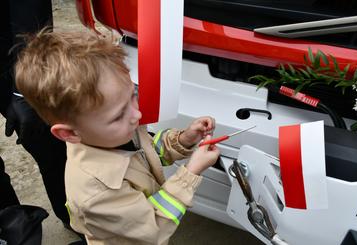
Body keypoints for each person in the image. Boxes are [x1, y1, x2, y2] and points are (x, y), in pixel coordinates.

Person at [15, 29, 221, 244]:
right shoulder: (96, 193)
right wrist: (190, 173)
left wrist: (183, 139)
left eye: (133, 96)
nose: (137, 114)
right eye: (117, 115)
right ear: (69, 133)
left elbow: (147, 152)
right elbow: (153, 229)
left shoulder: (110, 133)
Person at [0, 0, 70, 226]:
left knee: (49, 142)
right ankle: (13, 230)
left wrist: (25, 90)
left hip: (11, 57)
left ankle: (81, 220)